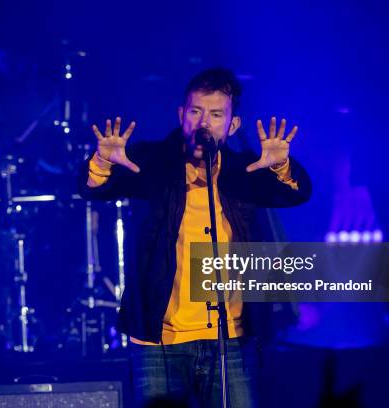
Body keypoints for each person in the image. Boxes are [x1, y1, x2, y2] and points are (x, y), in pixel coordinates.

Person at [78, 68, 312, 407]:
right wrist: (102, 161)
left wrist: (281, 167)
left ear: (232, 125)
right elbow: (92, 189)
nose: (204, 123)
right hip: (159, 341)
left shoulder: (246, 171)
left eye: (216, 114)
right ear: (181, 115)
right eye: (195, 111)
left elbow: (296, 194)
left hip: (230, 338)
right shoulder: (152, 162)